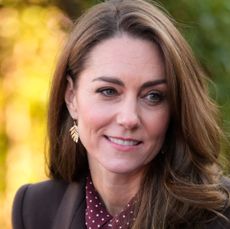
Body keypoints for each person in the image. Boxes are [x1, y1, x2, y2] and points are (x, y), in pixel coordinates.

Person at [12, 0, 230, 228]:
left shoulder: (222, 215)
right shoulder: (34, 208)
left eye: (153, 96)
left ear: (174, 108)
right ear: (71, 97)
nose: (128, 118)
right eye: (108, 91)